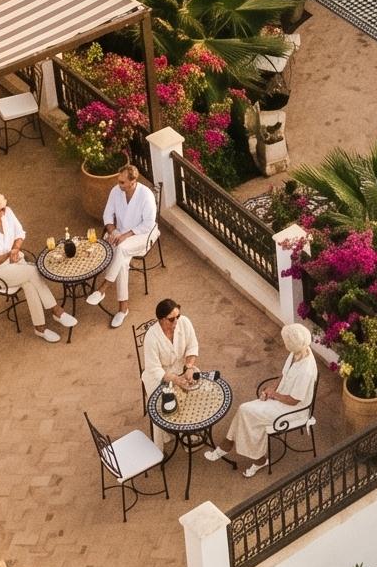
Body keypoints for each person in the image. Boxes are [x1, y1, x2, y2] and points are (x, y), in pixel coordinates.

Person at [0, 193, 74, 343]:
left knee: (29, 283)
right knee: (33, 272)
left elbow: (20, 233)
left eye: (5, 207)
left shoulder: (7, 212)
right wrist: (10, 254)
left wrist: (15, 249)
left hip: (13, 263)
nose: (5, 211)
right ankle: (56, 310)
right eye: (1, 209)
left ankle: (40, 328)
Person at [227, 323, 318, 479]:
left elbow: (294, 401)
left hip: (293, 410)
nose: (284, 343)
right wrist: (271, 388)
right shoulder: (297, 353)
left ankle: (256, 457)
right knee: (245, 410)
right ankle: (231, 441)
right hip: (282, 397)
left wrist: (274, 394)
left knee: (247, 413)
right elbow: (283, 375)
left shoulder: (306, 371)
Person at [140, 296, 217, 453]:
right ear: (161, 320)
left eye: (178, 316)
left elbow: (192, 346)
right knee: (162, 405)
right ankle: (161, 445)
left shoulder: (184, 322)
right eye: (171, 319)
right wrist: (176, 379)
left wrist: (189, 367)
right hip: (157, 376)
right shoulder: (151, 337)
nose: (176, 321)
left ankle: (187, 431)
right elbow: (154, 368)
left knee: (195, 390)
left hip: (181, 368)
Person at [90, 163, 159, 327]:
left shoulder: (146, 195)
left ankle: (103, 288)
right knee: (121, 260)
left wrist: (125, 236)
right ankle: (123, 309)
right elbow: (107, 215)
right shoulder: (116, 191)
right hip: (120, 234)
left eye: (122, 182)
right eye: (118, 180)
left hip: (142, 235)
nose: (118, 184)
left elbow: (149, 224)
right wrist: (114, 232)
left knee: (121, 249)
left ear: (133, 182)